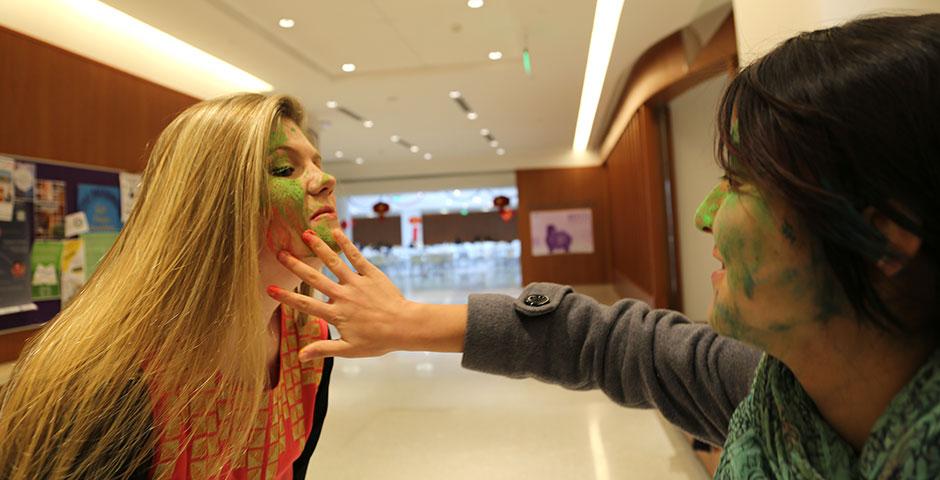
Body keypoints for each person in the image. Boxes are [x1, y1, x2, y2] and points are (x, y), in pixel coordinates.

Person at [269, 14, 940, 478]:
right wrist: (414, 322)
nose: (707, 214)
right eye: (283, 166)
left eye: (742, 183)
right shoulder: (774, 393)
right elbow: (610, 340)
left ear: (882, 237)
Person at [0, 93, 339, 479]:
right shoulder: (111, 379)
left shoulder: (310, 341)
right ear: (211, 203)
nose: (325, 180)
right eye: (283, 169)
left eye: (316, 162)